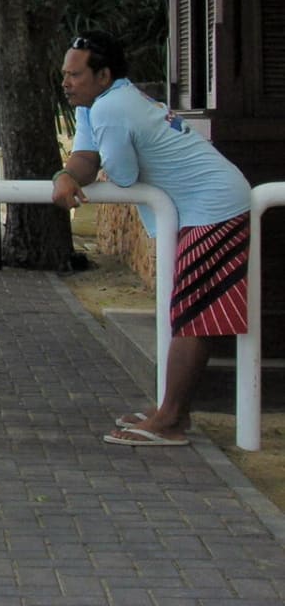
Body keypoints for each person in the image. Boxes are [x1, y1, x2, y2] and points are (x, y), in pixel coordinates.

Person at [52, 31, 251, 447]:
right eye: (65, 75)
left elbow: (121, 175)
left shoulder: (112, 108)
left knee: (192, 315)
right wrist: (66, 175)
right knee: (188, 311)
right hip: (203, 206)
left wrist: (82, 173)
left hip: (213, 206)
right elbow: (87, 159)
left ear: (103, 74)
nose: (66, 82)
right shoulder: (102, 103)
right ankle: (171, 412)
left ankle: (171, 419)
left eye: (75, 75)